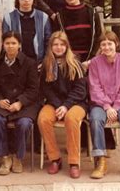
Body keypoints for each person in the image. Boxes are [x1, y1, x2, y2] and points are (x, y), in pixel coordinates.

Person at [0, 32, 39, 175]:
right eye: (7, 43)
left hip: (25, 105)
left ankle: (17, 157)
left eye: (14, 43)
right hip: (5, 103)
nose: (10, 46)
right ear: (3, 45)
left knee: (24, 123)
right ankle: (5, 158)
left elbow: (34, 89)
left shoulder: (29, 63)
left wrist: (20, 102)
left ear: (19, 45)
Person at [37, 31, 87, 179]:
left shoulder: (75, 63)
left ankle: (74, 162)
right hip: (55, 103)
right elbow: (46, 89)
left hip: (76, 103)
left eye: (62, 44)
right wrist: (59, 105)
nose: (58, 48)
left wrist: (66, 106)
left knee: (71, 119)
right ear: (51, 46)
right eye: (55, 45)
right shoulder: (47, 64)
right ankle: (55, 159)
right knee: (43, 119)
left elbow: (80, 90)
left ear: (67, 46)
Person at [88, 31, 120, 179]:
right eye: (103, 44)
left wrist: (115, 108)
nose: (107, 47)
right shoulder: (95, 63)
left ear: (116, 44)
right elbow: (94, 88)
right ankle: (101, 161)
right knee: (95, 119)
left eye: (109, 43)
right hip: (100, 103)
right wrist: (107, 106)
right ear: (100, 47)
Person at [2, 0, 51, 64]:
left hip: (38, 62)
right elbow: (4, 42)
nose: (26, 0)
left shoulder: (43, 17)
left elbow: (48, 42)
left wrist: (45, 62)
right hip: (16, 63)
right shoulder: (8, 18)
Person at [57, 0, 101, 65]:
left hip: (90, 58)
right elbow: (59, 40)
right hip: (69, 59)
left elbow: (98, 36)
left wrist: (91, 59)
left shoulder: (91, 13)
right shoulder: (60, 16)